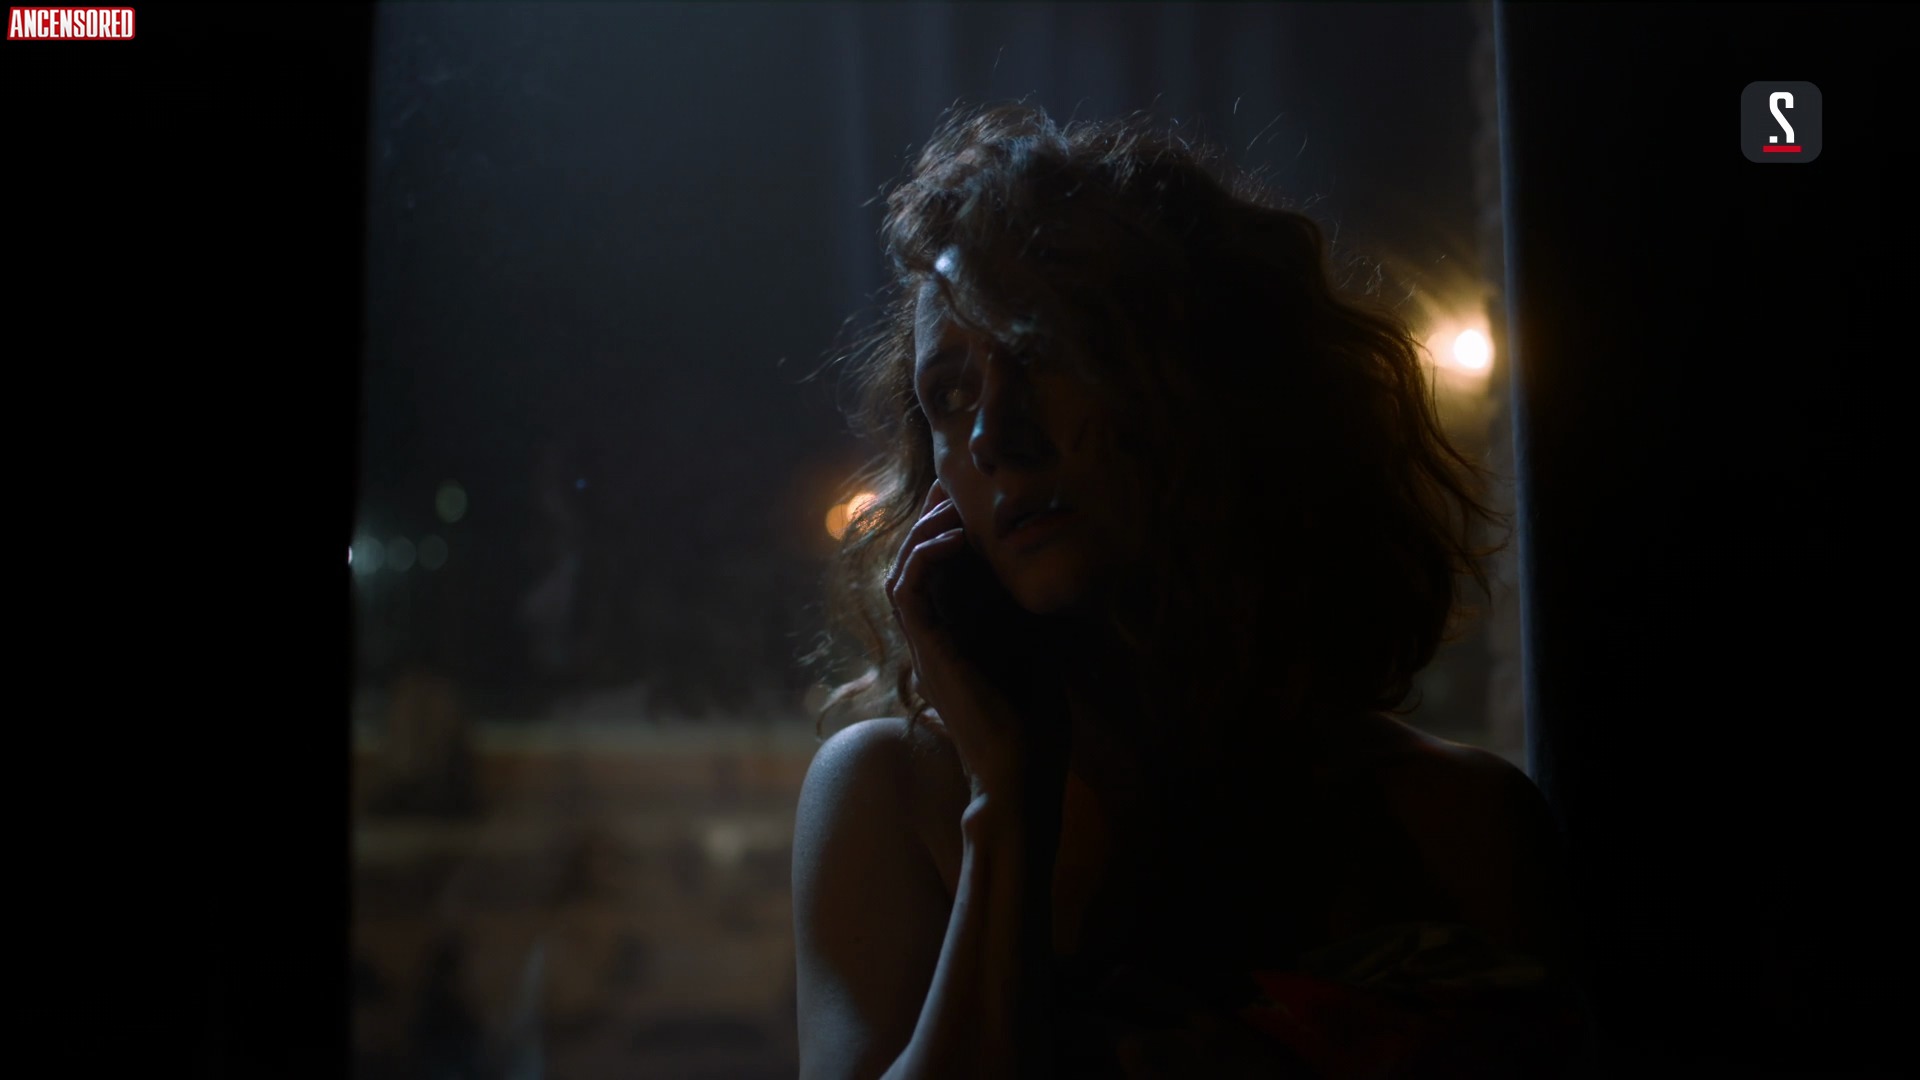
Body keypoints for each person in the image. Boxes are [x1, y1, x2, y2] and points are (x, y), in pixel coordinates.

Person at [791, 103, 1584, 1079]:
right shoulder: (897, 796)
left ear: (1209, 384)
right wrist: (1007, 805)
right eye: (948, 395)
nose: (994, 433)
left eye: (1043, 354)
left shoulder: (1459, 822)